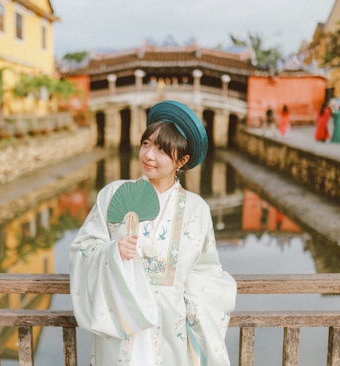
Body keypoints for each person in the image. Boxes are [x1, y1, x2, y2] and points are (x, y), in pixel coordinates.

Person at [70, 100, 237, 366]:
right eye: (146, 144)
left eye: (161, 149)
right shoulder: (113, 194)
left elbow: (207, 272)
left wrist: (188, 304)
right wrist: (111, 252)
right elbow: (83, 247)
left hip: (170, 327)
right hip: (122, 321)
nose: (148, 155)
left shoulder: (197, 210)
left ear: (182, 160)